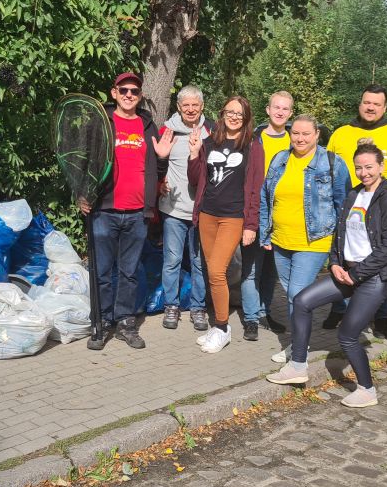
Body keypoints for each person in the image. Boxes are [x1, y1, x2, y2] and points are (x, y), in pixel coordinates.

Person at [266, 142, 387, 410]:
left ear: (381, 166)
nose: (364, 172)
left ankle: (367, 390)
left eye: (369, 167)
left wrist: (357, 274)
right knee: (302, 301)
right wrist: (334, 265)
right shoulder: (354, 194)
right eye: (359, 168)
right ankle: (297, 365)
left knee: (347, 335)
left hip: (372, 277)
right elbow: (338, 234)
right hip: (346, 271)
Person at [80, 72, 173, 350]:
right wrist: (82, 194)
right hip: (104, 210)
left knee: (130, 273)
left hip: (137, 213)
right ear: (114, 93)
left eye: (134, 91)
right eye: (124, 90)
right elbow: (85, 162)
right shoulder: (102, 122)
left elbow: (157, 170)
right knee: (102, 272)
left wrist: (163, 158)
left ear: (140, 95)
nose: (129, 95)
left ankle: (125, 323)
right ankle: (101, 324)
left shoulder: (148, 126)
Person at [257, 115, 350, 364]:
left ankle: (299, 353)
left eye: (306, 134)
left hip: (314, 241)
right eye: (295, 133)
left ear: (317, 134)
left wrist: (340, 245)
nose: (300, 138)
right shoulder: (280, 159)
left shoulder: (332, 162)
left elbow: (343, 205)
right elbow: (266, 197)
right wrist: (265, 232)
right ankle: (297, 345)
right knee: (292, 295)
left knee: (297, 295)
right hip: (280, 240)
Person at [324, 84, 387, 335]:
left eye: (376, 103)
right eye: (367, 102)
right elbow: (327, 172)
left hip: (381, 214)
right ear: (360, 103)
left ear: (385, 107)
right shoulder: (341, 134)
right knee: (343, 259)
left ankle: (381, 316)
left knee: (380, 265)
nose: (371, 107)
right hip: (346, 211)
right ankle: (339, 309)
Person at [187, 96, 265, 353]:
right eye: (230, 112)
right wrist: (194, 153)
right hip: (208, 214)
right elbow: (196, 179)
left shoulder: (253, 146)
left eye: (239, 113)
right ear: (222, 114)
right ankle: (219, 325)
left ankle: (222, 328)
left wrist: (251, 225)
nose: (234, 117)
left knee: (216, 272)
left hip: (233, 217)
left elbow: (256, 188)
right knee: (212, 271)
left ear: (246, 118)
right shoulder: (210, 142)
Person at [241, 91, 295, 339]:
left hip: (282, 213)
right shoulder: (253, 139)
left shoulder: (295, 141)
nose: (280, 112)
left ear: (291, 113)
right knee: (252, 268)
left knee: (272, 270)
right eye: (276, 107)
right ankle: (251, 318)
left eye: (285, 109)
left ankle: (264, 312)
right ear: (268, 109)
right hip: (256, 210)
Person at [157, 86, 209, 333]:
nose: (190, 109)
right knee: (172, 261)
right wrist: (159, 182)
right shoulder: (167, 131)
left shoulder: (211, 132)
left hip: (202, 211)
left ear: (202, 106)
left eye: (194, 105)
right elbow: (156, 162)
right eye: (185, 105)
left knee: (199, 262)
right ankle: (171, 306)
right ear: (178, 107)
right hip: (173, 210)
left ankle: (198, 308)